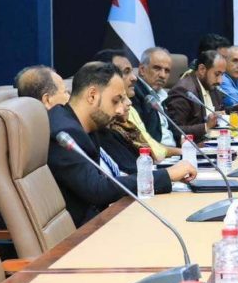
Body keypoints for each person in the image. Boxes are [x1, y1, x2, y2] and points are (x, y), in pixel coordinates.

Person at [47, 62, 197, 227]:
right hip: (85, 234)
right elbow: (97, 189)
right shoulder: (65, 133)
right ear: (92, 96)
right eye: (115, 101)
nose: (120, 110)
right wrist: (167, 175)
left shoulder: (83, 124)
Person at [93, 49, 181, 162]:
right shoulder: (109, 118)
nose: (134, 78)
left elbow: (150, 146)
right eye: (126, 72)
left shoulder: (131, 107)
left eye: (167, 70)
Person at [165, 50, 226, 141]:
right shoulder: (183, 91)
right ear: (202, 69)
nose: (220, 81)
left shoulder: (211, 85)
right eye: (217, 74)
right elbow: (175, 130)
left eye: (222, 75)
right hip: (194, 146)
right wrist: (206, 126)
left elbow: (219, 111)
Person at [133, 47, 180, 147]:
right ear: (142, 70)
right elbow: (143, 139)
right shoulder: (135, 93)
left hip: (175, 151)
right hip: (158, 153)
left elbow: (171, 129)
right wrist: (177, 151)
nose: (163, 75)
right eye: (157, 68)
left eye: (167, 71)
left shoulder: (162, 95)